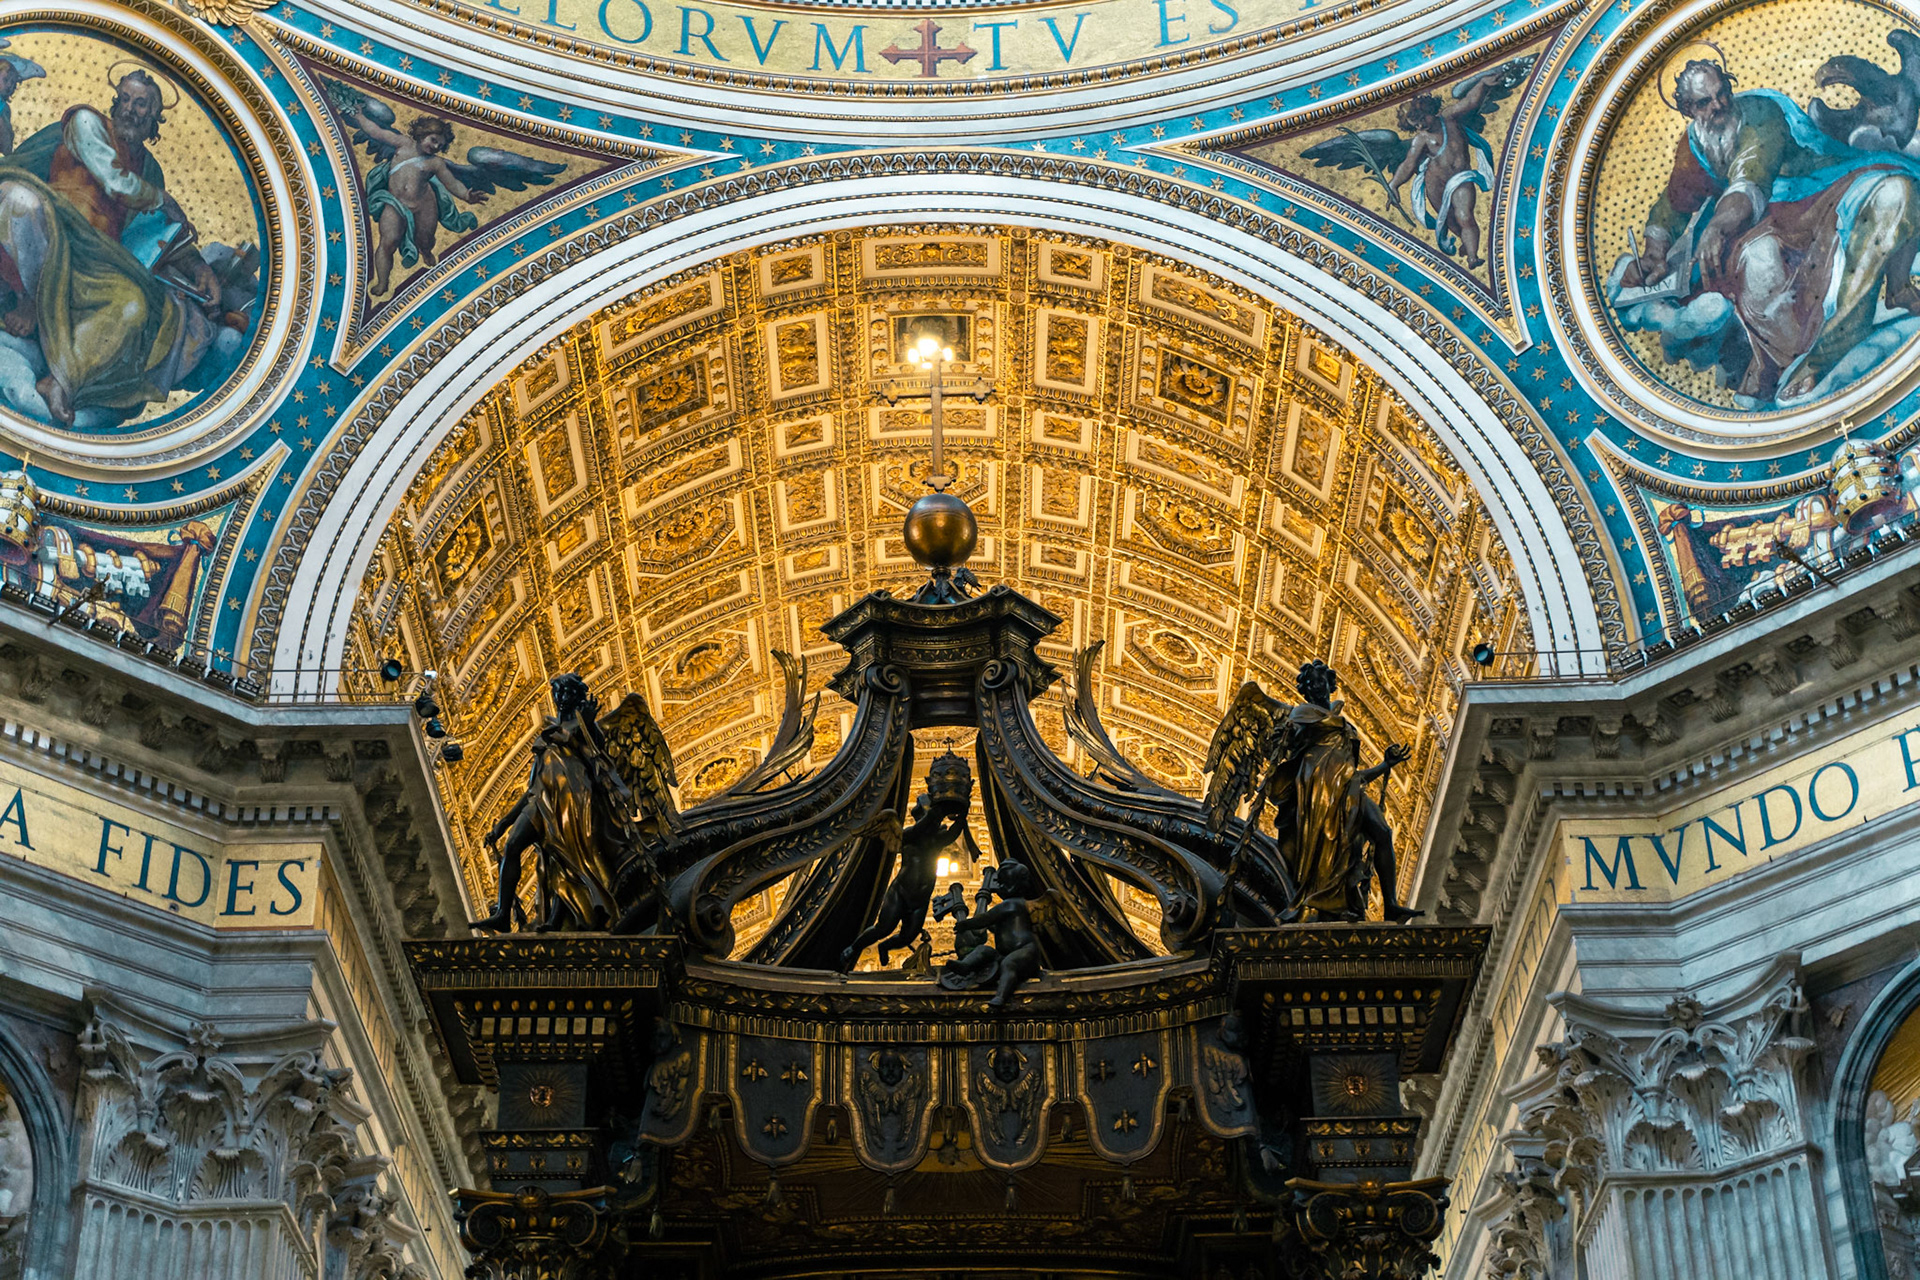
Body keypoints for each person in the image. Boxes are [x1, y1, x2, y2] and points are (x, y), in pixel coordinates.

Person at [1620, 58, 1920, 402]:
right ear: (1688, 108)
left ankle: (1845, 335)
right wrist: (1654, 254)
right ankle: (1787, 362)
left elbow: (1752, 176)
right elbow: (1673, 201)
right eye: (1705, 102)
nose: (1718, 105)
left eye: (1722, 94)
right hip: (1767, 220)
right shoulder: (1695, 144)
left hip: (1817, 188)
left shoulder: (1760, 113)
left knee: (1897, 190)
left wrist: (1717, 225)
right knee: (1757, 263)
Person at [0, 69, 227, 425]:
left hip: (96, 258)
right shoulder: (87, 122)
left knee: (134, 305)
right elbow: (113, 179)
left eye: (142, 105)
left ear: (155, 118)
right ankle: (29, 298)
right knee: (19, 200)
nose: (130, 110)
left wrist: (200, 268)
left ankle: (61, 381)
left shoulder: (149, 169)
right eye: (125, 99)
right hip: (51, 228)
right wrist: (161, 198)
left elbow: (161, 234)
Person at [1269, 662, 1419, 923]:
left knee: (1382, 832)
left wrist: (1386, 765)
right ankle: (1319, 898)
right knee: (1325, 844)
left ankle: (1391, 904)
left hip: (1347, 787)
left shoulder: (1344, 723)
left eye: (1320, 681)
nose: (1316, 687)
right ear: (1306, 691)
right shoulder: (1302, 715)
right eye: (1311, 684)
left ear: (1330, 684)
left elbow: (1353, 773)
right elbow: (1285, 743)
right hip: (1319, 787)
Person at [348, 110, 482, 296]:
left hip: (423, 204)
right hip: (395, 203)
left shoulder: (435, 163)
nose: (435, 147)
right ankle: (383, 282)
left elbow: (451, 183)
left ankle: (425, 251)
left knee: (425, 239)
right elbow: (377, 132)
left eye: (440, 145)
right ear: (422, 134)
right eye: (433, 140)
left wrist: (467, 195)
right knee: (388, 241)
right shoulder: (403, 144)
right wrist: (359, 116)